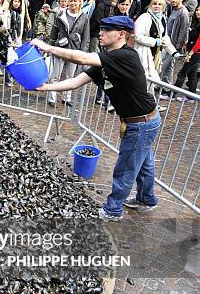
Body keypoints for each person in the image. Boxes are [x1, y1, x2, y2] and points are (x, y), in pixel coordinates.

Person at [32, 16, 160, 221]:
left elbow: (81, 58)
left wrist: (47, 47)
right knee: (144, 163)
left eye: (106, 29)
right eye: (101, 28)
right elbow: (75, 82)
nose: (100, 32)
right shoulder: (106, 59)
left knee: (126, 168)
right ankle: (147, 199)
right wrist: (45, 87)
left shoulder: (126, 56)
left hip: (141, 123)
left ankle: (113, 210)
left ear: (121, 34)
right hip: (140, 120)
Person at [46, 0, 90, 106]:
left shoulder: (84, 17)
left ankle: (67, 97)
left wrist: (83, 53)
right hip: (60, 47)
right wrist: (51, 46)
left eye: (75, 1)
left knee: (70, 76)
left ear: (80, 2)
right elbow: (54, 31)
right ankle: (52, 98)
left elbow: (86, 36)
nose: (72, 3)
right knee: (55, 75)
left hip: (74, 49)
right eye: (71, 0)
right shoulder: (61, 14)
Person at [133, 0, 177, 88]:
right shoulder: (144, 17)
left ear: (163, 7)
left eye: (160, 4)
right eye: (155, 4)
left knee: (151, 80)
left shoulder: (162, 19)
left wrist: (173, 52)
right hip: (143, 52)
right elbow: (137, 36)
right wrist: (154, 42)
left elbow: (164, 37)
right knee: (144, 79)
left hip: (156, 54)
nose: (157, 6)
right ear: (150, 5)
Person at [160, 0, 189, 89]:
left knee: (161, 65)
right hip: (167, 41)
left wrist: (177, 47)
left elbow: (183, 31)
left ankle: (156, 84)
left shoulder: (183, 13)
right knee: (168, 67)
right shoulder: (173, 9)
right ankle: (166, 87)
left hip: (172, 44)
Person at [172, 5, 199, 99]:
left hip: (195, 53)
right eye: (197, 10)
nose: (198, 12)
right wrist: (187, 43)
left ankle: (173, 94)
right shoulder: (196, 23)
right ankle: (191, 96)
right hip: (192, 51)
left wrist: (190, 54)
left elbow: (199, 43)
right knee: (192, 74)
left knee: (182, 73)